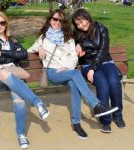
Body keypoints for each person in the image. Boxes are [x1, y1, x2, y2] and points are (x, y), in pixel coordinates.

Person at [28, 9, 118, 139]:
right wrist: (40, 47)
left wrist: (67, 66)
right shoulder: (43, 38)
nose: (57, 22)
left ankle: (76, 124)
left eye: (61, 20)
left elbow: (74, 57)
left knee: (74, 85)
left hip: (67, 71)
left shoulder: (68, 38)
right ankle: (96, 105)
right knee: (76, 74)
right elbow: (28, 50)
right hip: (53, 72)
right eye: (55, 19)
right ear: (50, 20)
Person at [0, 11, 49, 149]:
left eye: (2, 22)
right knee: (3, 72)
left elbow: (24, 54)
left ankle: (21, 134)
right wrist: (13, 57)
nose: (0, 26)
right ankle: (37, 102)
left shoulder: (13, 40)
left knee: (19, 98)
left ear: (6, 23)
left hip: (12, 77)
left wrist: (3, 53)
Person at [72, 8, 126, 133]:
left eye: (82, 22)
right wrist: (78, 45)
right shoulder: (77, 34)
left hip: (105, 61)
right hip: (87, 65)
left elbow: (103, 51)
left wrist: (92, 67)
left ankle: (118, 116)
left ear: (88, 18)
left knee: (114, 83)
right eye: (77, 24)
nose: (80, 26)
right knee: (103, 84)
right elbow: (73, 50)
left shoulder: (102, 29)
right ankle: (105, 120)